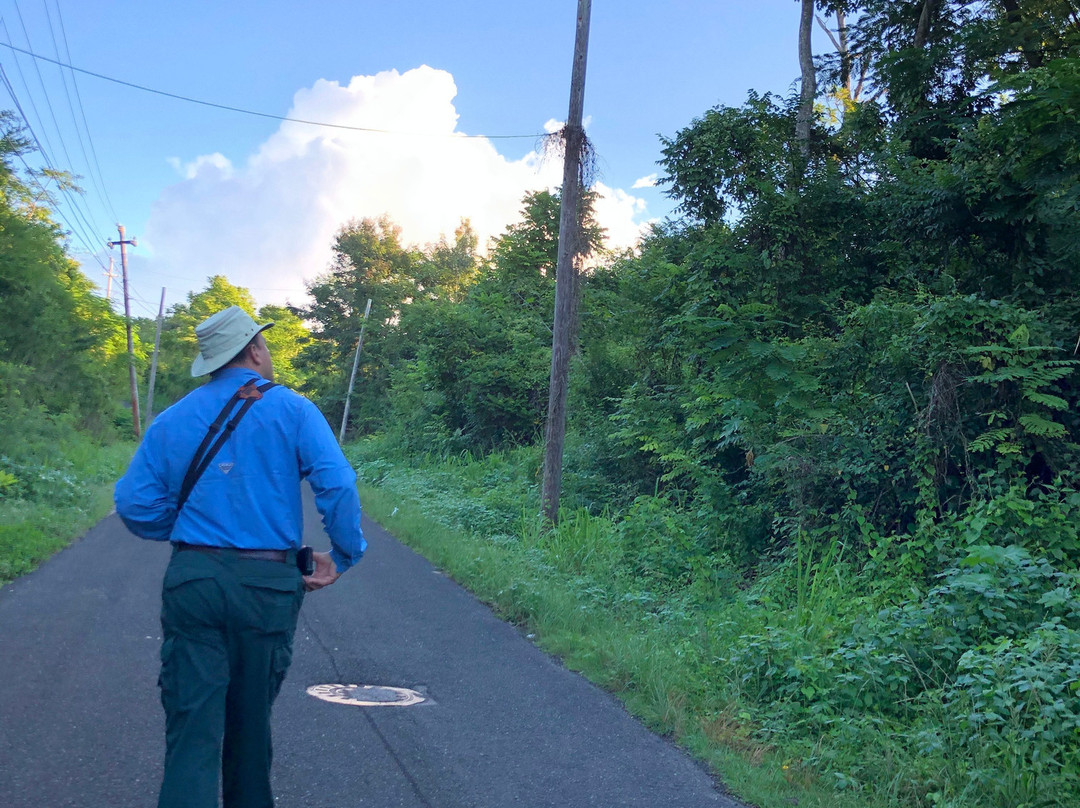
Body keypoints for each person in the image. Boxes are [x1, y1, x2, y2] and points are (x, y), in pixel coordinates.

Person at [115, 305, 366, 808]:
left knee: (192, 732)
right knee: (250, 732)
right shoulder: (294, 410)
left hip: (194, 581)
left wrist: (188, 532)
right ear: (254, 350)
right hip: (266, 584)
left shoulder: (172, 419)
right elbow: (336, 484)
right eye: (264, 345)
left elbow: (134, 504)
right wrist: (343, 554)